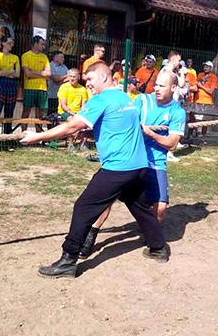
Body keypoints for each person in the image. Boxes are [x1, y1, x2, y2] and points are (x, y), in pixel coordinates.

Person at [20, 62, 169, 278]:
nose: (87, 84)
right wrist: (91, 134)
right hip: (138, 166)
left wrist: (37, 136)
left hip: (118, 168)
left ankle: (68, 260)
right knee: (140, 207)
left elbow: (72, 126)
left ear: (104, 77)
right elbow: (119, 127)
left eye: (90, 79)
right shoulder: (125, 98)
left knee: (83, 207)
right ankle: (158, 247)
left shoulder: (101, 99)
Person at [78, 70, 187, 258]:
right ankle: (90, 236)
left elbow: (172, 144)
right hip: (131, 159)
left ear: (174, 88)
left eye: (162, 86)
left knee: (161, 207)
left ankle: (151, 237)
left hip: (156, 162)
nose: (156, 89)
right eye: (156, 84)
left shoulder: (177, 112)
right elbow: (121, 121)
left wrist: (150, 133)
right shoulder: (142, 100)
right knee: (108, 197)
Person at [0, 36, 20, 134]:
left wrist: (4, 72)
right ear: (3, 43)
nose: (12, 45)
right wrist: (11, 71)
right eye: (9, 43)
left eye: (12, 43)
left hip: (12, 84)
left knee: (9, 111)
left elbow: (17, 74)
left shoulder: (15, 57)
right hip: (0, 83)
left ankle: (7, 134)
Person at [57, 68, 89, 151]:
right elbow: (64, 106)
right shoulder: (64, 87)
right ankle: (70, 145)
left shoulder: (83, 89)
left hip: (78, 112)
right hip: (64, 112)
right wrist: (74, 114)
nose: (72, 78)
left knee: (87, 121)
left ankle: (83, 143)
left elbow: (84, 106)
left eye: (74, 77)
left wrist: (82, 114)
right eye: (70, 76)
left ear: (78, 77)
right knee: (72, 121)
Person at [21, 36, 51, 122]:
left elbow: (49, 74)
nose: (44, 47)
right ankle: (23, 129)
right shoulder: (26, 56)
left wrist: (33, 71)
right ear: (35, 44)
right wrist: (42, 73)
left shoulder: (44, 57)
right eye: (42, 44)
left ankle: (38, 130)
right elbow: (28, 74)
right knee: (26, 111)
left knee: (40, 114)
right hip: (29, 88)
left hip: (42, 89)